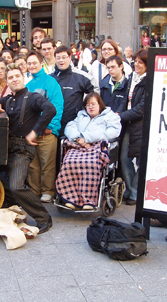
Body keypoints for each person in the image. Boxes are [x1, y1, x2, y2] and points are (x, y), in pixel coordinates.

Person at [0, 64, 56, 233]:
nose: (14, 79)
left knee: (16, 185)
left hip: (22, 148)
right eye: (10, 77)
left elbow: (51, 109)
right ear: (7, 80)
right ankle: (12, 215)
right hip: (6, 147)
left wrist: (35, 131)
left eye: (17, 76)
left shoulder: (33, 97)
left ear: (23, 77)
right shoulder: (7, 100)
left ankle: (43, 218)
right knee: (5, 184)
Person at [56, 92, 121, 209]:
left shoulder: (110, 116)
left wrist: (88, 138)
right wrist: (78, 138)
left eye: (93, 104)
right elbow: (70, 127)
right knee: (69, 162)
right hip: (78, 146)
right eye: (87, 105)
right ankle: (71, 198)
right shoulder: (81, 116)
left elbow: (113, 132)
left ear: (100, 105)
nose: (90, 107)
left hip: (97, 146)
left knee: (91, 164)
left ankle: (88, 200)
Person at [25, 51, 64, 203]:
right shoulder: (28, 85)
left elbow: (57, 106)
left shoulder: (51, 82)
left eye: (34, 62)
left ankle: (48, 191)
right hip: (32, 132)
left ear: (41, 63)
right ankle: (34, 190)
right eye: (29, 63)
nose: (32, 66)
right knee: (33, 164)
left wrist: (51, 126)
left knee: (47, 163)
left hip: (47, 131)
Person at [119, 49, 148, 206]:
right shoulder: (132, 78)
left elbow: (142, 108)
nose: (137, 65)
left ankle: (135, 192)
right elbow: (126, 99)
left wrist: (121, 116)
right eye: (135, 61)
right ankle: (130, 190)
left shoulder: (148, 81)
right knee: (125, 158)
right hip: (129, 123)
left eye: (141, 62)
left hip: (141, 125)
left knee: (140, 161)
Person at [51, 46, 94, 134]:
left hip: (74, 124)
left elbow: (95, 92)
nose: (61, 60)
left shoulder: (81, 76)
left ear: (70, 57)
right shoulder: (50, 78)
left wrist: (87, 112)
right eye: (58, 58)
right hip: (53, 125)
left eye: (64, 57)